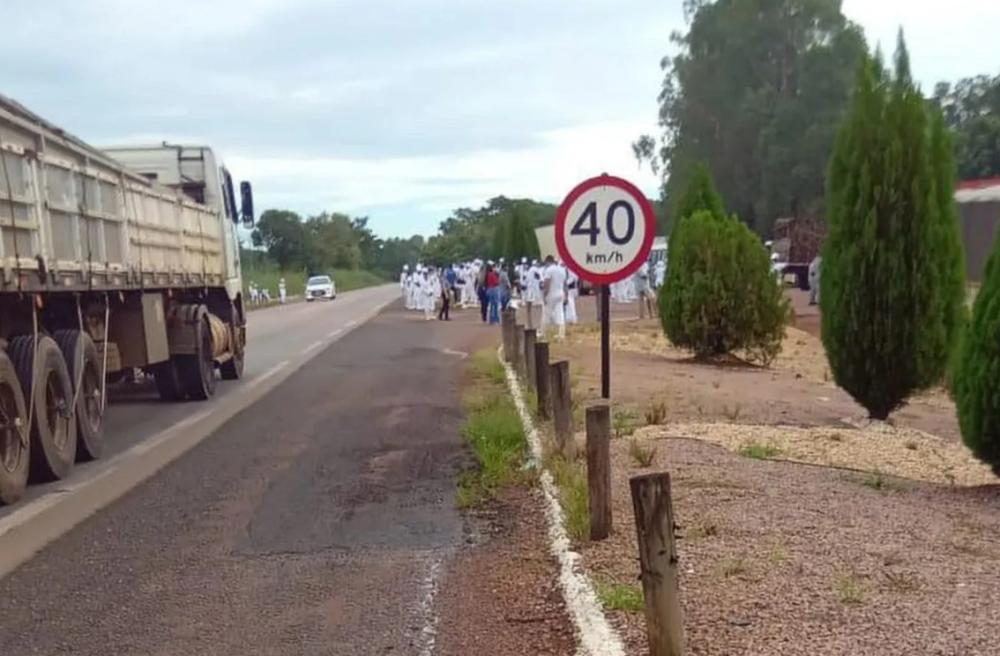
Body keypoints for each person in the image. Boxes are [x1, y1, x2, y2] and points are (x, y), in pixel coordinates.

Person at [539, 256, 567, 340]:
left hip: (551, 294)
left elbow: (547, 283)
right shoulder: (562, 270)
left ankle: (543, 332)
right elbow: (565, 283)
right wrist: (566, 294)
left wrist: (544, 295)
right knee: (560, 313)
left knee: (546, 313)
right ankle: (561, 334)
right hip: (560, 293)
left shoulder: (549, 270)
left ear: (548, 262)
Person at [524, 259, 543, 328]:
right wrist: (541, 282)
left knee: (529, 306)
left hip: (530, 289)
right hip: (534, 290)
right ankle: (536, 323)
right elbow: (540, 278)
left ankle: (529, 322)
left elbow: (526, 281)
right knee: (538, 305)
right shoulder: (535, 269)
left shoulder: (530, 270)